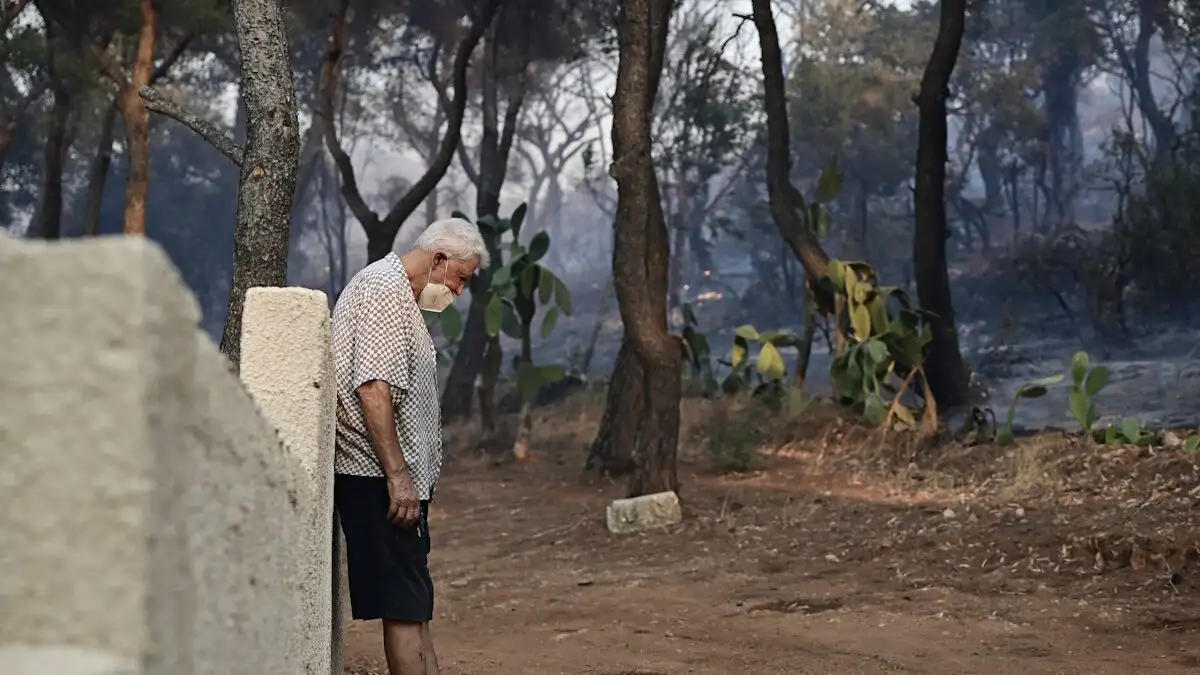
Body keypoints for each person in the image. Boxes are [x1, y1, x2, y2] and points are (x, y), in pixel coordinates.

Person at [331, 217, 488, 675]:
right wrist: (399, 476)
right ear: (439, 260)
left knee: (414, 605)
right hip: (377, 478)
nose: (458, 291)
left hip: (393, 480)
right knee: (403, 607)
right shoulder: (383, 289)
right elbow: (373, 388)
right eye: (461, 278)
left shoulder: (401, 295)